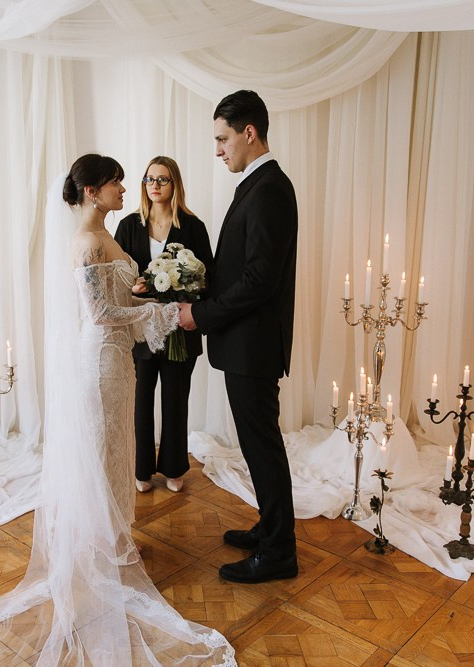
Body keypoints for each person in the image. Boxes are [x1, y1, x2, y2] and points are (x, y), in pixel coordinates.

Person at [0, 155, 234, 665]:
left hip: (118, 360)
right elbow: (101, 313)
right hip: (100, 361)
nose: (125, 189)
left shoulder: (105, 235)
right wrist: (159, 311)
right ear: (91, 190)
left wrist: (146, 293)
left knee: (118, 445)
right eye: (116, 182)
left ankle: (114, 535)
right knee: (102, 445)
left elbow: (115, 296)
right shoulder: (85, 243)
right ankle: (99, 544)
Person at [178, 90, 299, 585]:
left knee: (262, 447)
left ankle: (279, 553)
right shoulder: (258, 183)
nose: (218, 149)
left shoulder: (270, 188)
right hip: (246, 343)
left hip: (253, 345)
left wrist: (201, 315)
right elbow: (241, 269)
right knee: (257, 446)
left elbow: (259, 280)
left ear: (250, 133)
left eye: (223, 138)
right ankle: (272, 529)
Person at [114, 156, 213, 495]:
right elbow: (116, 277)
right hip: (140, 326)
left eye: (163, 180)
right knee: (141, 400)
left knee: (175, 398)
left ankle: (173, 466)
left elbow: (208, 278)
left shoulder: (192, 226)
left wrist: (185, 290)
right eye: (149, 179)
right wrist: (136, 288)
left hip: (179, 329)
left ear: (175, 185)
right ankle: (141, 468)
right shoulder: (128, 226)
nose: (154, 186)